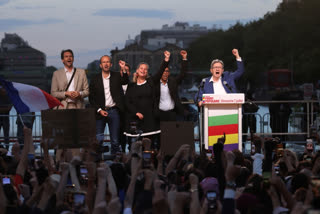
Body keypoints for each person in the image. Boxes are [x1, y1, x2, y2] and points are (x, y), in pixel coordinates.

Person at [89, 56, 129, 154]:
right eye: (104, 62)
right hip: (100, 112)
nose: (106, 64)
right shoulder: (95, 79)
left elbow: (125, 81)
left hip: (114, 111)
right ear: (100, 65)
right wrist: (99, 110)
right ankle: (98, 164)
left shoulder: (116, 76)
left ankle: (115, 163)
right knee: (99, 140)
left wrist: (123, 69)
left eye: (108, 62)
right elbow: (91, 98)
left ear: (111, 64)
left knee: (115, 141)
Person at [124, 62, 160, 147]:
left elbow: (160, 73)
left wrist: (166, 60)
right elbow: (127, 102)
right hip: (135, 120)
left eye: (145, 69)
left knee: (149, 145)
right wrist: (136, 112)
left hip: (149, 120)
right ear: (137, 71)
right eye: (141, 68)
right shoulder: (131, 86)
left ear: (147, 72)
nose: (143, 70)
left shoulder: (150, 83)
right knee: (136, 146)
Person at [153, 50, 188, 121]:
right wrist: (166, 58)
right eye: (163, 71)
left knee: (172, 131)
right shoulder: (155, 83)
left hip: (172, 114)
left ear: (169, 73)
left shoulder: (173, 82)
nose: (165, 73)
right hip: (159, 114)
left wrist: (184, 58)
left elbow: (182, 74)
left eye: (167, 71)